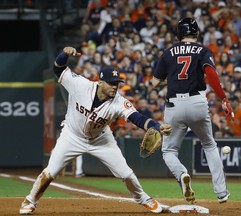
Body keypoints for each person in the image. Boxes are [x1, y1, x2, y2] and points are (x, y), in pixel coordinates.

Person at [19, 47, 172, 215]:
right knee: (49, 173)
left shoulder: (119, 102)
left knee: (126, 174)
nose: (115, 87)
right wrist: (64, 54)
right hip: (71, 136)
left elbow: (137, 117)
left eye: (117, 84)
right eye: (111, 83)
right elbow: (58, 69)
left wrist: (156, 126)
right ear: (100, 81)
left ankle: (145, 199)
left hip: (101, 140)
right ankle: (30, 200)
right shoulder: (80, 84)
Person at [151, 18, 234, 204]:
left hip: (174, 106)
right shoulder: (203, 51)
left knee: (169, 151)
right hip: (197, 102)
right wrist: (223, 98)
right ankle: (221, 193)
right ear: (196, 33)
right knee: (209, 145)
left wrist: (171, 80)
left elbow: (154, 82)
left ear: (178, 34)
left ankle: (182, 175)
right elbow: (211, 74)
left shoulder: (168, 52)